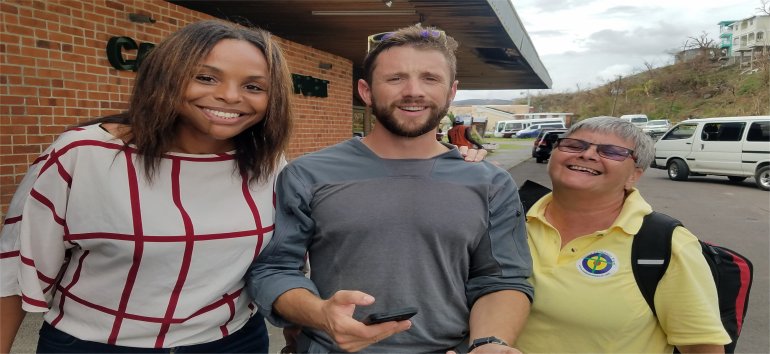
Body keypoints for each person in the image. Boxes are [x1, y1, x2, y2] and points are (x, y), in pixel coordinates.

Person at [0, 19, 294, 353]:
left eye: (254, 87)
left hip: (233, 342)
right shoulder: (83, 154)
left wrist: (299, 329)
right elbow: (14, 268)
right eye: (206, 77)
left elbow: (280, 260)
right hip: (95, 344)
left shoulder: (269, 163)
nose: (229, 96)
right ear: (166, 76)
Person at [247, 24, 533, 353]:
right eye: (395, 78)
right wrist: (321, 314)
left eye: (430, 78)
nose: (414, 91)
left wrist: (490, 343)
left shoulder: (490, 182)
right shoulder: (308, 174)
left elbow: (502, 278)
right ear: (366, 91)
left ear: (451, 92)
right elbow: (273, 269)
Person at [514, 116, 730, 353]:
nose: (587, 155)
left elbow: (702, 347)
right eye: (574, 145)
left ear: (634, 175)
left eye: (613, 152)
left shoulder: (664, 244)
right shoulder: (507, 217)